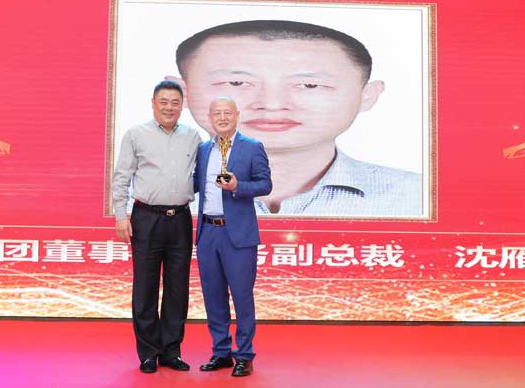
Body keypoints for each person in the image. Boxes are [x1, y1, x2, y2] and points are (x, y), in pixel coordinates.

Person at [171, 19, 422, 218]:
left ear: (367, 96)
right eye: (236, 82)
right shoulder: (148, 194)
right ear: (182, 94)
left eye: (309, 85)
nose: (271, 104)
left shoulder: (417, 197)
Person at [111, 80, 203, 374]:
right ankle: (148, 352)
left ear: (182, 106)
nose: (169, 107)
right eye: (163, 102)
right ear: (153, 103)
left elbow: (199, 177)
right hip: (146, 218)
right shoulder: (136, 135)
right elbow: (122, 176)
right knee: (145, 287)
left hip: (180, 219)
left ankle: (171, 351)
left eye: (175, 102)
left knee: (178, 288)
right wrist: (120, 215)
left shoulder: (193, 137)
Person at [195, 97, 272, 377]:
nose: (222, 117)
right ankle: (221, 351)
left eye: (227, 113)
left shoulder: (252, 147)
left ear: (237, 115)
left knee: (241, 296)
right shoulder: (203, 150)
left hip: (238, 234)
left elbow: (265, 184)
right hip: (207, 232)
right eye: (217, 113)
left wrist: (239, 187)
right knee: (213, 295)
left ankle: (244, 355)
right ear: (209, 117)